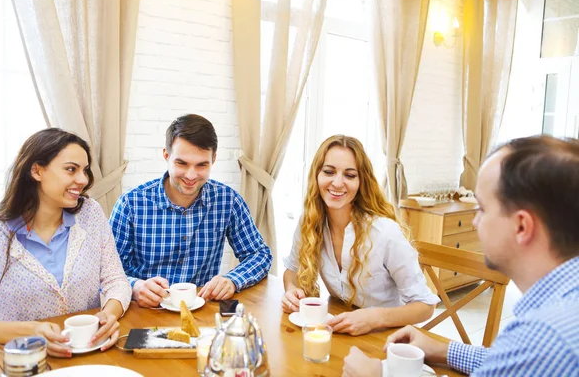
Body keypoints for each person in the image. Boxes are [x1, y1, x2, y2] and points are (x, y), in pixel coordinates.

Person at [342, 135, 579, 377]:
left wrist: (377, 376)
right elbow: (514, 362)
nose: (475, 222)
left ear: (521, 227)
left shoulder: (548, 337)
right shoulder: (557, 317)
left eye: (483, 209)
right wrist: (445, 350)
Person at [0, 128, 131, 357]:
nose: (83, 180)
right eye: (71, 169)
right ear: (36, 170)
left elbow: (116, 280)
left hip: (90, 354)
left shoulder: (90, 214)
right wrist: (30, 331)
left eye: (85, 170)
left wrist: (110, 312)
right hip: (24, 361)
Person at [110, 114, 272, 308]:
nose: (191, 175)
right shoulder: (131, 204)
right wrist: (135, 287)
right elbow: (106, 272)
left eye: (201, 165)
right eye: (182, 163)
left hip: (202, 314)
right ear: (166, 156)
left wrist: (233, 280)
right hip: (146, 312)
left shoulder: (228, 201)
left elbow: (260, 254)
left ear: (213, 159)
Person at [282, 135, 439, 336]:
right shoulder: (310, 221)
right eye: (329, 172)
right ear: (316, 175)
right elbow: (291, 270)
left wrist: (374, 318)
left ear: (361, 182)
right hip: (340, 332)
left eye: (349, 175)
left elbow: (425, 306)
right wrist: (290, 290)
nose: (337, 183)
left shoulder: (384, 233)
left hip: (384, 337)